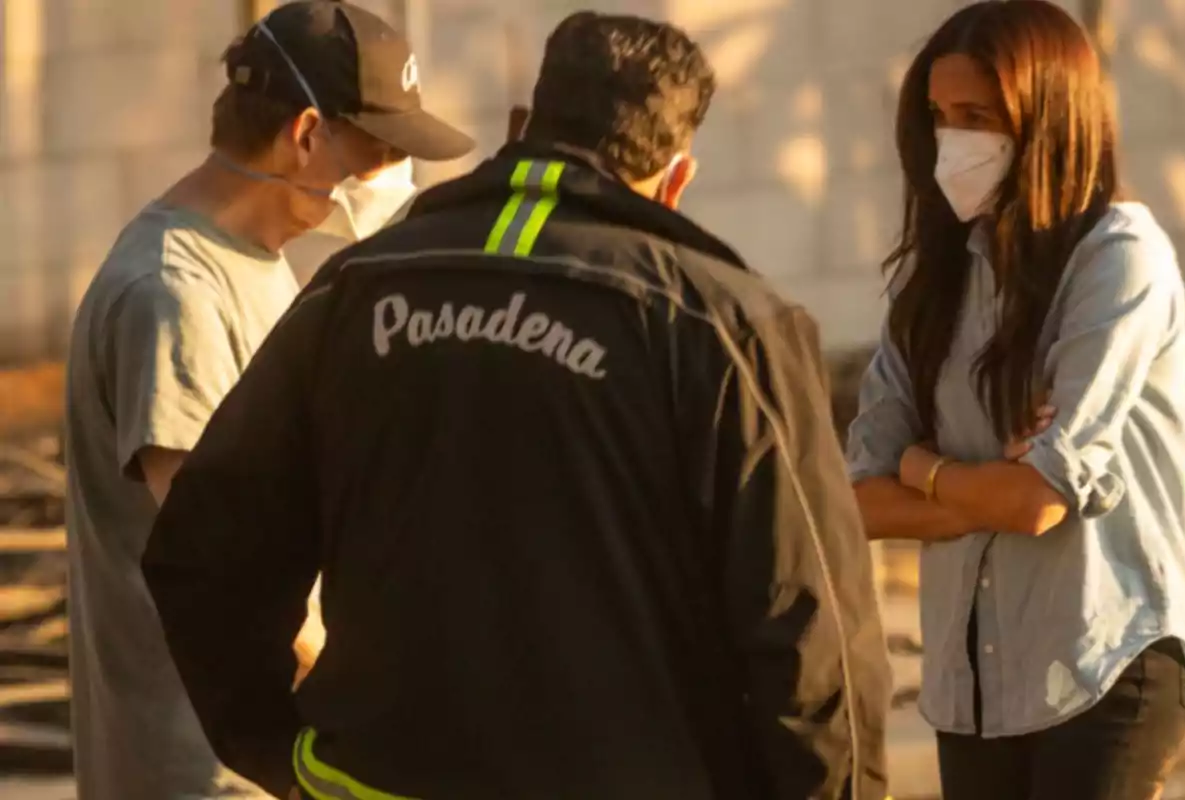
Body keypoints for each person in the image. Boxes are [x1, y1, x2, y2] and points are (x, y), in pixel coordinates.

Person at [141, 11, 890, 800]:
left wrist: (281, 753)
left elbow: (205, 547)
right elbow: (811, 633)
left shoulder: (357, 290)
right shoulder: (725, 325)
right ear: (676, 180)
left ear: (521, 127)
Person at [64, 2, 474, 797]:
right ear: (308, 134)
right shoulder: (173, 296)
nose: (391, 176)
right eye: (381, 150)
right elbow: (232, 567)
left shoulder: (251, 262)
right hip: (213, 770)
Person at [846, 2, 1185, 798]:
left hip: (1102, 663)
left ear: (1047, 117)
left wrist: (923, 466)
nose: (953, 142)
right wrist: (984, 488)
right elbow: (863, 501)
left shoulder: (1117, 257)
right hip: (970, 688)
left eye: (976, 116)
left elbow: (1038, 502)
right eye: (939, 117)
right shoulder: (929, 280)